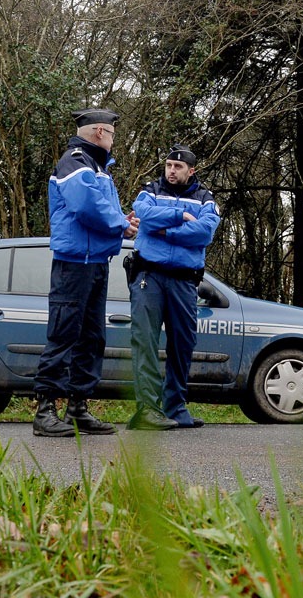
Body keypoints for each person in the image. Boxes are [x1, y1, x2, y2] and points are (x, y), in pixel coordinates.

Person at [32, 108, 139, 437]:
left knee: (92, 338)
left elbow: (103, 208)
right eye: (111, 134)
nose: (113, 140)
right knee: (63, 334)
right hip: (73, 264)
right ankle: (45, 409)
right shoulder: (74, 161)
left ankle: (77, 408)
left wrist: (124, 223)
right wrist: (122, 224)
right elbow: (87, 206)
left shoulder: (98, 167)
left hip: (96, 263)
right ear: (98, 133)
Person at [126, 144, 221, 430]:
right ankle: (148, 410)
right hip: (148, 276)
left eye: (178, 167)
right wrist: (179, 217)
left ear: (191, 170)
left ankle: (175, 408)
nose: (171, 170)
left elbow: (204, 233)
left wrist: (162, 229)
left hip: (183, 280)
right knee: (145, 341)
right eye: (168, 165)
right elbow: (142, 214)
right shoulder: (150, 191)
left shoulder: (206, 199)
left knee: (182, 343)